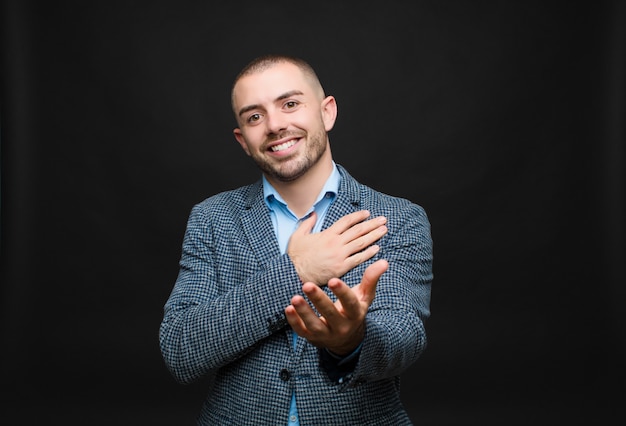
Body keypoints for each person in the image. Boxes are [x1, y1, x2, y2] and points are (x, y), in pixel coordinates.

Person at [159, 54, 433, 425]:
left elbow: (403, 339)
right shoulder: (212, 219)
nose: (274, 125)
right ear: (243, 139)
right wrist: (296, 270)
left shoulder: (399, 218)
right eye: (254, 117)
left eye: (290, 104)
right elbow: (181, 349)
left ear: (327, 112)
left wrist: (349, 343)